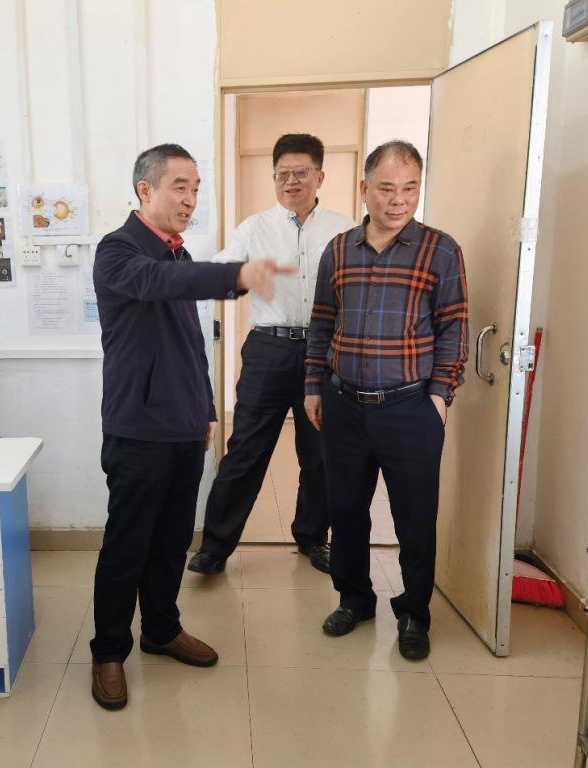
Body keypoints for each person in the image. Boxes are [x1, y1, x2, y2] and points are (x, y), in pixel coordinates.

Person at [91, 143, 293, 710]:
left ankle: (161, 629)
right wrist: (236, 274)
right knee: (127, 547)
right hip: (137, 429)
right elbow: (155, 283)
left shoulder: (177, 258)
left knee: (173, 541)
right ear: (145, 190)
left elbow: (189, 346)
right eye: (179, 186)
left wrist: (205, 408)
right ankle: (109, 652)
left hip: (183, 428)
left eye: (196, 188)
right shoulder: (118, 251)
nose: (190, 199)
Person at [304, 140, 468, 661]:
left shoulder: (441, 250)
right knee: (346, 510)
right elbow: (321, 322)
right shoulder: (338, 250)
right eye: (387, 188)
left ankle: (414, 613)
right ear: (364, 189)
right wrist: (314, 386)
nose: (398, 200)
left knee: (414, 518)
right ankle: (355, 599)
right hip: (344, 406)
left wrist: (439, 396)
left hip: (410, 408)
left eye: (410, 188)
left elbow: (454, 328)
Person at [188, 134, 354, 577]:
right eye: (282, 174)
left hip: (325, 350)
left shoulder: (344, 230)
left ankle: (313, 537)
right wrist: (233, 276)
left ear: (320, 176)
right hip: (268, 349)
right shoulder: (254, 228)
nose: (291, 182)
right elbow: (221, 274)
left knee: (319, 454)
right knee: (245, 449)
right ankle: (215, 547)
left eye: (301, 173)